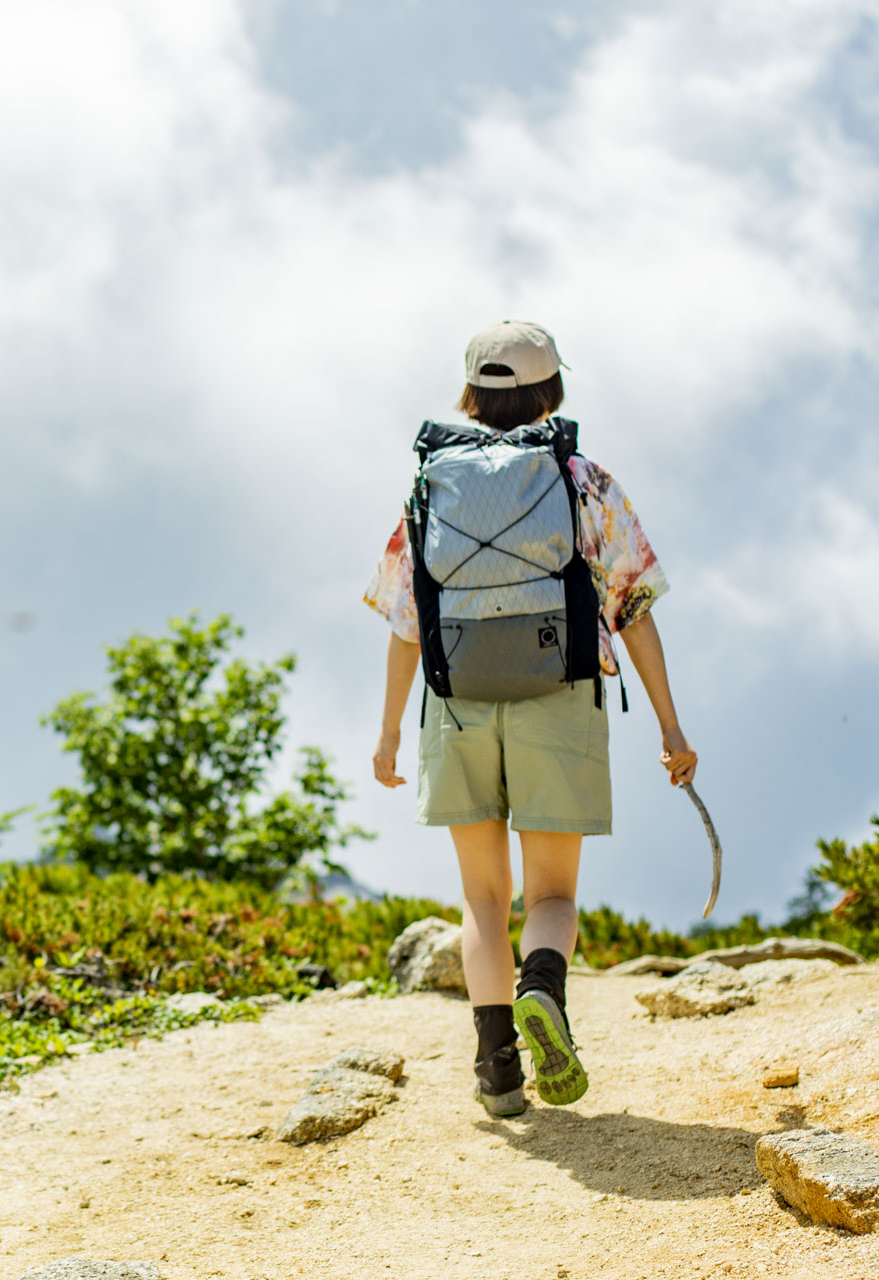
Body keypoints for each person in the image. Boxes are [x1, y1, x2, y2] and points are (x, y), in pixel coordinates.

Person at [364, 319, 697, 1116]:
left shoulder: (428, 483)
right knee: (551, 897)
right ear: (551, 390)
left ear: (472, 392)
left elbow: (406, 621)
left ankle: (498, 1073)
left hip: (455, 705)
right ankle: (542, 990)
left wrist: (385, 737)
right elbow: (634, 609)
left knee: (484, 899)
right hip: (560, 690)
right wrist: (670, 729)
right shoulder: (581, 478)